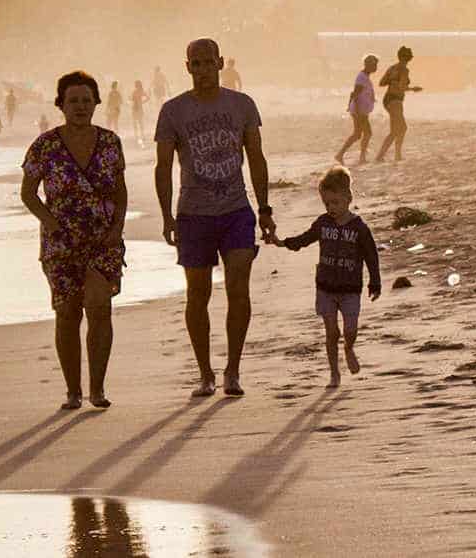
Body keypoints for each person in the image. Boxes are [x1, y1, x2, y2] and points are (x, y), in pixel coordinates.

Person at [154, 38, 273, 397]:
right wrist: (166, 217)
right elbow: (162, 168)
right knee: (198, 295)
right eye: (196, 63)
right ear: (187, 66)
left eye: (209, 62)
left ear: (220, 63)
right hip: (193, 214)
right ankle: (204, 373)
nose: (203, 69)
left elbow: (256, 157)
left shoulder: (242, 105)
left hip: (236, 210)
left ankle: (232, 371)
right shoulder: (173, 111)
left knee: (239, 291)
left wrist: (265, 209)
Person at [21, 71, 127, 410]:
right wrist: (52, 224)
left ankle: (97, 389)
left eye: (86, 100)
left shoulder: (110, 142)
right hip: (60, 242)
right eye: (73, 101)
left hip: (102, 239)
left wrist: (116, 230)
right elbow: (28, 194)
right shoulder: (45, 145)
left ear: (96, 102)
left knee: (99, 308)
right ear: (61, 105)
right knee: (67, 313)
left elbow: (121, 192)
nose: (80, 106)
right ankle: (72, 391)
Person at [270, 166, 381, 388]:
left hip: (350, 289)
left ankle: (349, 348)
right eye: (327, 203)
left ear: (348, 199)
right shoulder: (323, 223)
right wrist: (283, 242)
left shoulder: (360, 228)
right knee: (332, 332)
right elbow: (305, 239)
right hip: (326, 288)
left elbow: (371, 256)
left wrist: (375, 281)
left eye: (336, 203)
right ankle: (334, 373)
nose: (331, 208)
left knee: (349, 330)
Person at [374, 46, 422, 163]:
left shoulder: (392, 68)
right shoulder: (404, 70)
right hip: (396, 100)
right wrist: (413, 89)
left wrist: (392, 80)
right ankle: (382, 156)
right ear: (408, 58)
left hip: (388, 99)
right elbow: (402, 87)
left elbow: (381, 83)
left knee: (400, 128)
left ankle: (396, 155)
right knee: (397, 129)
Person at [336, 54, 379, 165]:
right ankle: (361, 157)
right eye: (374, 65)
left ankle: (341, 155)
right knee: (366, 133)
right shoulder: (362, 77)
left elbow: (355, 93)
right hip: (359, 111)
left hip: (361, 110)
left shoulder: (365, 77)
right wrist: (358, 111)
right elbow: (355, 94)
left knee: (358, 134)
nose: (376, 67)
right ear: (369, 65)